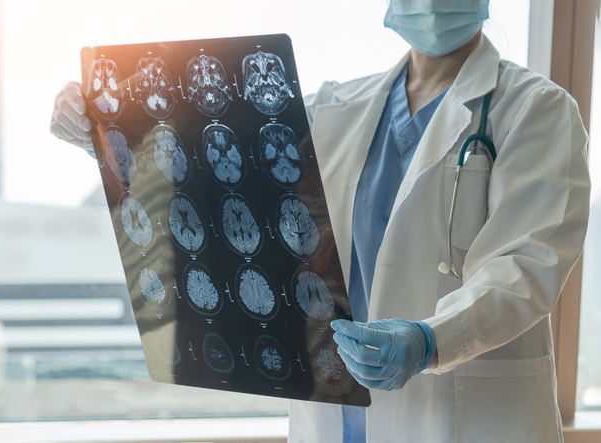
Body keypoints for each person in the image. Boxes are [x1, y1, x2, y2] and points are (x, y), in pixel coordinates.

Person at [50, 1, 590, 441]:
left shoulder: (537, 110)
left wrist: (430, 339)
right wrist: (104, 128)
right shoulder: (334, 108)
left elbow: (526, 265)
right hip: (334, 413)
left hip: (468, 416)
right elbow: (209, 172)